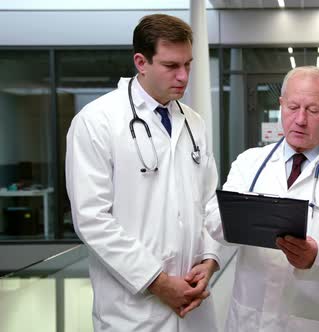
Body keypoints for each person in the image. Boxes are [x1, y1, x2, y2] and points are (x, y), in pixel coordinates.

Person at [66, 14, 221, 331]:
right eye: (171, 65)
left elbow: (209, 201)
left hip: (193, 303)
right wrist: (158, 281)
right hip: (133, 311)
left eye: (188, 65)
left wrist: (209, 260)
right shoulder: (97, 121)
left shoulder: (194, 123)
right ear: (141, 61)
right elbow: (92, 219)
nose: (183, 76)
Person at [205, 66, 319, 332]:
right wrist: (236, 219)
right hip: (250, 318)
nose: (300, 119)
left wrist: (317, 256)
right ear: (280, 105)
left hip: (315, 321)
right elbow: (215, 221)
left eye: (312, 110)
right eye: (292, 107)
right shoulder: (250, 163)